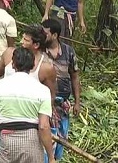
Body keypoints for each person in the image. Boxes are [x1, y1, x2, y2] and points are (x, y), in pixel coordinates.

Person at [0, 48, 55, 163]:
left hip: (7, 141)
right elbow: (44, 126)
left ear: (12, 64)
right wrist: (51, 157)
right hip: (32, 142)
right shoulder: (43, 90)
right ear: (33, 65)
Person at [0, 25, 57, 99]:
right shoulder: (9, 54)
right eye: (23, 38)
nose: (21, 42)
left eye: (26, 40)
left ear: (36, 45)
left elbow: (50, 96)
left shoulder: (46, 68)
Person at [42, 18, 81, 161]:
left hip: (62, 103)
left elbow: (75, 77)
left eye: (45, 33)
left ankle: (55, 158)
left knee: (61, 135)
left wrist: (77, 101)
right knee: (47, 133)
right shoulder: (39, 50)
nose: (42, 36)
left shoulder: (68, 52)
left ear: (54, 35)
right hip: (45, 100)